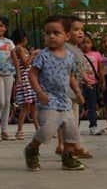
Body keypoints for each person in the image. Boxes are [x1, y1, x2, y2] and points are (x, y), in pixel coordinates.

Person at [24, 16, 86, 171]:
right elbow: (32, 74)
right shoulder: (43, 55)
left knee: (72, 131)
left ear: (66, 36)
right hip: (48, 99)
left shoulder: (69, 56)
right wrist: (39, 92)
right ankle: (32, 149)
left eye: (56, 33)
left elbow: (70, 76)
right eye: (47, 33)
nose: (51, 36)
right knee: (48, 129)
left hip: (64, 100)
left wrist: (77, 92)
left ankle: (68, 158)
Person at [56, 16, 92, 158]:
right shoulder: (65, 48)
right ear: (66, 33)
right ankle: (74, 146)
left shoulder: (77, 50)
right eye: (76, 29)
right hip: (66, 91)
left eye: (81, 29)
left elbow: (78, 69)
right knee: (69, 120)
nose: (80, 32)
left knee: (70, 120)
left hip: (74, 91)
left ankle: (64, 145)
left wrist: (85, 78)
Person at [12, 29, 39, 139]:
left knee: (32, 106)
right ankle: (19, 130)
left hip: (29, 77)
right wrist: (33, 54)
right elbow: (26, 63)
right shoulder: (19, 49)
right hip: (25, 78)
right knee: (26, 106)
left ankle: (38, 128)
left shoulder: (22, 49)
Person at [80, 33, 103, 135]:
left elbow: (100, 70)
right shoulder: (76, 54)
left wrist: (103, 82)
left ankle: (93, 126)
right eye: (83, 42)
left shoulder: (97, 54)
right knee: (78, 107)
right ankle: (74, 127)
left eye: (88, 42)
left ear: (92, 43)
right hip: (79, 84)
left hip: (93, 84)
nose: (85, 45)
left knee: (92, 106)